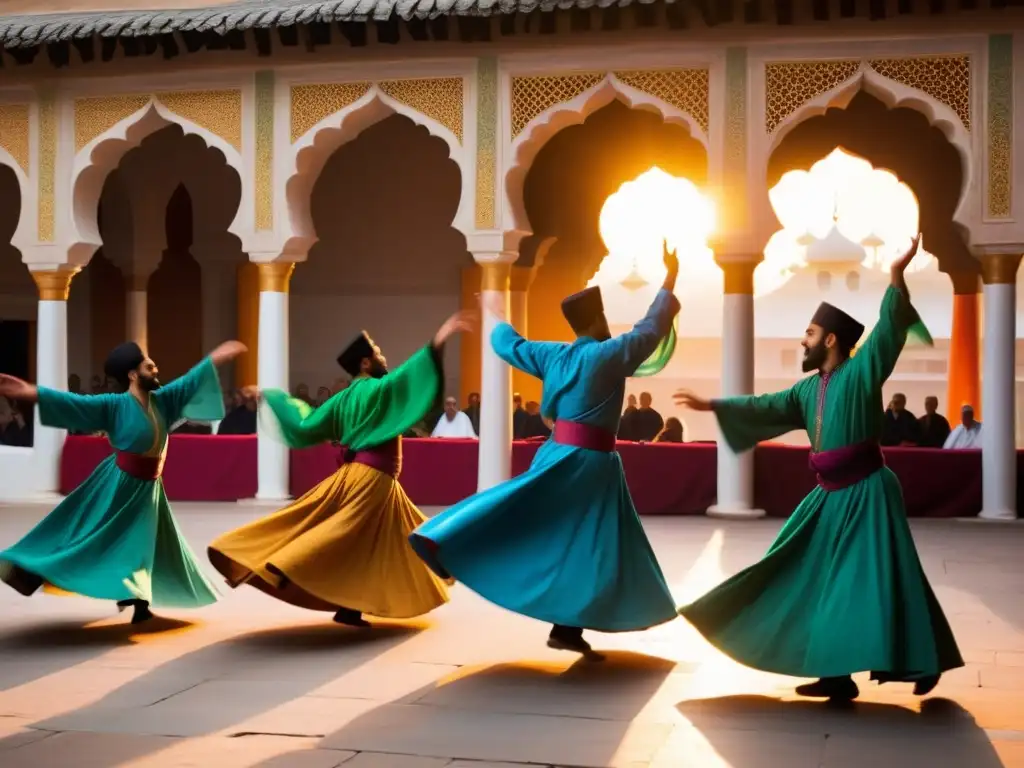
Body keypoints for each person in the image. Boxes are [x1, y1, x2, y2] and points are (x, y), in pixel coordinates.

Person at [673, 234, 962, 701]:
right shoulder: (806, 390)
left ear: (830, 339)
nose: (801, 340)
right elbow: (765, 405)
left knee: (887, 578)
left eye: (808, 333)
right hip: (828, 495)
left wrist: (895, 276)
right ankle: (835, 675)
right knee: (807, 571)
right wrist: (713, 404)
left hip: (868, 492)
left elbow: (888, 332)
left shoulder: (862, 370)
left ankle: (922, 659)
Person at [410, 242, 681, 655]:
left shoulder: (553, 355)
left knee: (529, 519)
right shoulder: (609, 354)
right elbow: (651, 328)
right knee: (590, 544)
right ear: (599, 319)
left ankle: (450, 546)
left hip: (556, 455)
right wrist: (671, 277)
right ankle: (445, 543)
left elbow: (510, 343)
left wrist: (494, 311)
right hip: (591, 466)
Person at [207, 312, 474, 627]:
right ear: (364, 363)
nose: (383, 356)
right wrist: (437, 342)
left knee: (385, 537)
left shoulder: (341, 398)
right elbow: (409, 378)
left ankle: (350, 607)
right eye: (377, 352)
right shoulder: (378, 389)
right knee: (344, 532)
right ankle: (284, 562)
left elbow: (305, 421)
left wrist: (271, 396)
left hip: (364, 476)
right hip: (373, 479)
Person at [0, 340, 245, 624]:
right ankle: (31, 570)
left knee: (140, 544)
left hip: (149, 488)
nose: (156, 370)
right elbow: (73, 403)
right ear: (132, 374)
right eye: (149, 366)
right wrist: (28, 392)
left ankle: (136, 599)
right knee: (98, 538)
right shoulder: (113, 405)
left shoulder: (162, 401)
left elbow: (190, 382)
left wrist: (215, 359)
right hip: (120, 485)